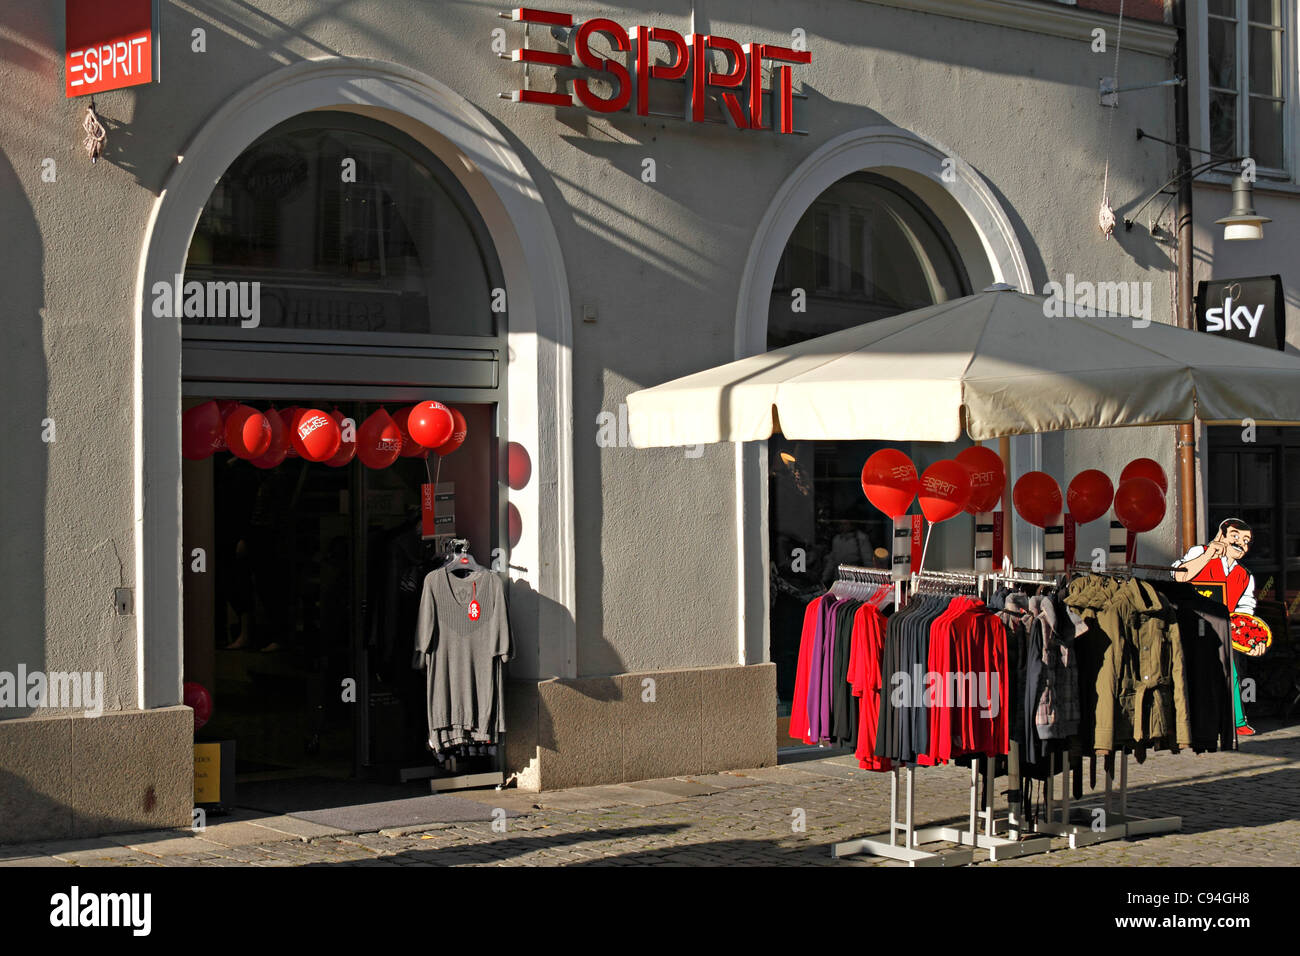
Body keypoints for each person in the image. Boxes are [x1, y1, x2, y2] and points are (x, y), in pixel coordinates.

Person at [1172, 518, 1269, 736]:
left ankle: (1236, 721)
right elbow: (1179, 576)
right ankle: (1186, 721)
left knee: (1230, 672)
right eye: (1235, 536)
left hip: (1225, 630)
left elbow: (1245, 610)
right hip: (1192, 625)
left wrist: (1251, 641)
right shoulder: (1200, 552)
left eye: (1246, 541)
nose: (1240, 544)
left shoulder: (1245, 575)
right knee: (1189, 673)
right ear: (1221, 535)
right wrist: (1207, 556)